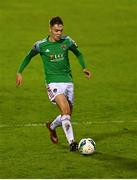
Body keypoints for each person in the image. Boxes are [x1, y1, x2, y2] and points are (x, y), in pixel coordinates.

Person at [16, 16, 92, 151]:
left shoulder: (67, 41)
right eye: (56, 30)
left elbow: (78, 54)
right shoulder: (41, 45)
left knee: (67, 114)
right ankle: (72, 142)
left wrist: (84, 67)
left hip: (68, 81)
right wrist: (20, 72)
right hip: (53, 83)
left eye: (60, 30)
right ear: (50, 29)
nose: (59, 33)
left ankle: (51, 126)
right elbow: (28, 56)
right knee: (65, 110)